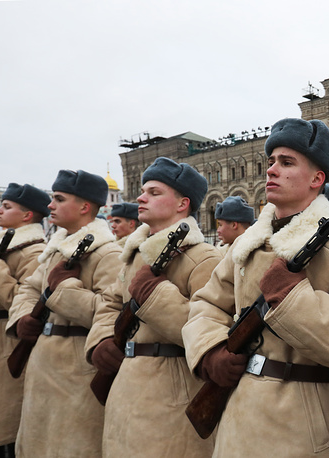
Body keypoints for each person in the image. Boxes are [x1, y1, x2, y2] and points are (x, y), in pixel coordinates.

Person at [183, 117, 329, 457]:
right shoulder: (247, 245)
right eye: (271, 161)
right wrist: (210, 351)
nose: (272, 170)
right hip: (241, 411)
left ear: (317, 178)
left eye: (286, 162)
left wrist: (293, 299)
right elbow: (207, 304)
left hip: (305, 421)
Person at [85, 157, 221, 457]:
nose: (141, 197)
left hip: (171, 391)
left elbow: (207, 326)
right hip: (126, 383)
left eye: (155, 192)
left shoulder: (205, 258)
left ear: (182, 203)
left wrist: (155, 296)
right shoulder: (135, 255)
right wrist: (103, 339)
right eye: (143, 190)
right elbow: (110, 302)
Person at [6, 170, 122, 457]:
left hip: (77, 367)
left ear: (84, 207)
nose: (50, 205)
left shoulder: (107, 253)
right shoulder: (57, 249)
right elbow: (29, 290)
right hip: (42, 365)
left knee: (73, 446)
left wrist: (64, 289)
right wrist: (23, 318)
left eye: (59, 199)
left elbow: (110, 313)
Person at [0, 183, 50, 456]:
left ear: (27, 216)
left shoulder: (33, 251)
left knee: (5, 425)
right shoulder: (5, 245)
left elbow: (23, 303)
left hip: (6, 344)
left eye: (7, 206)